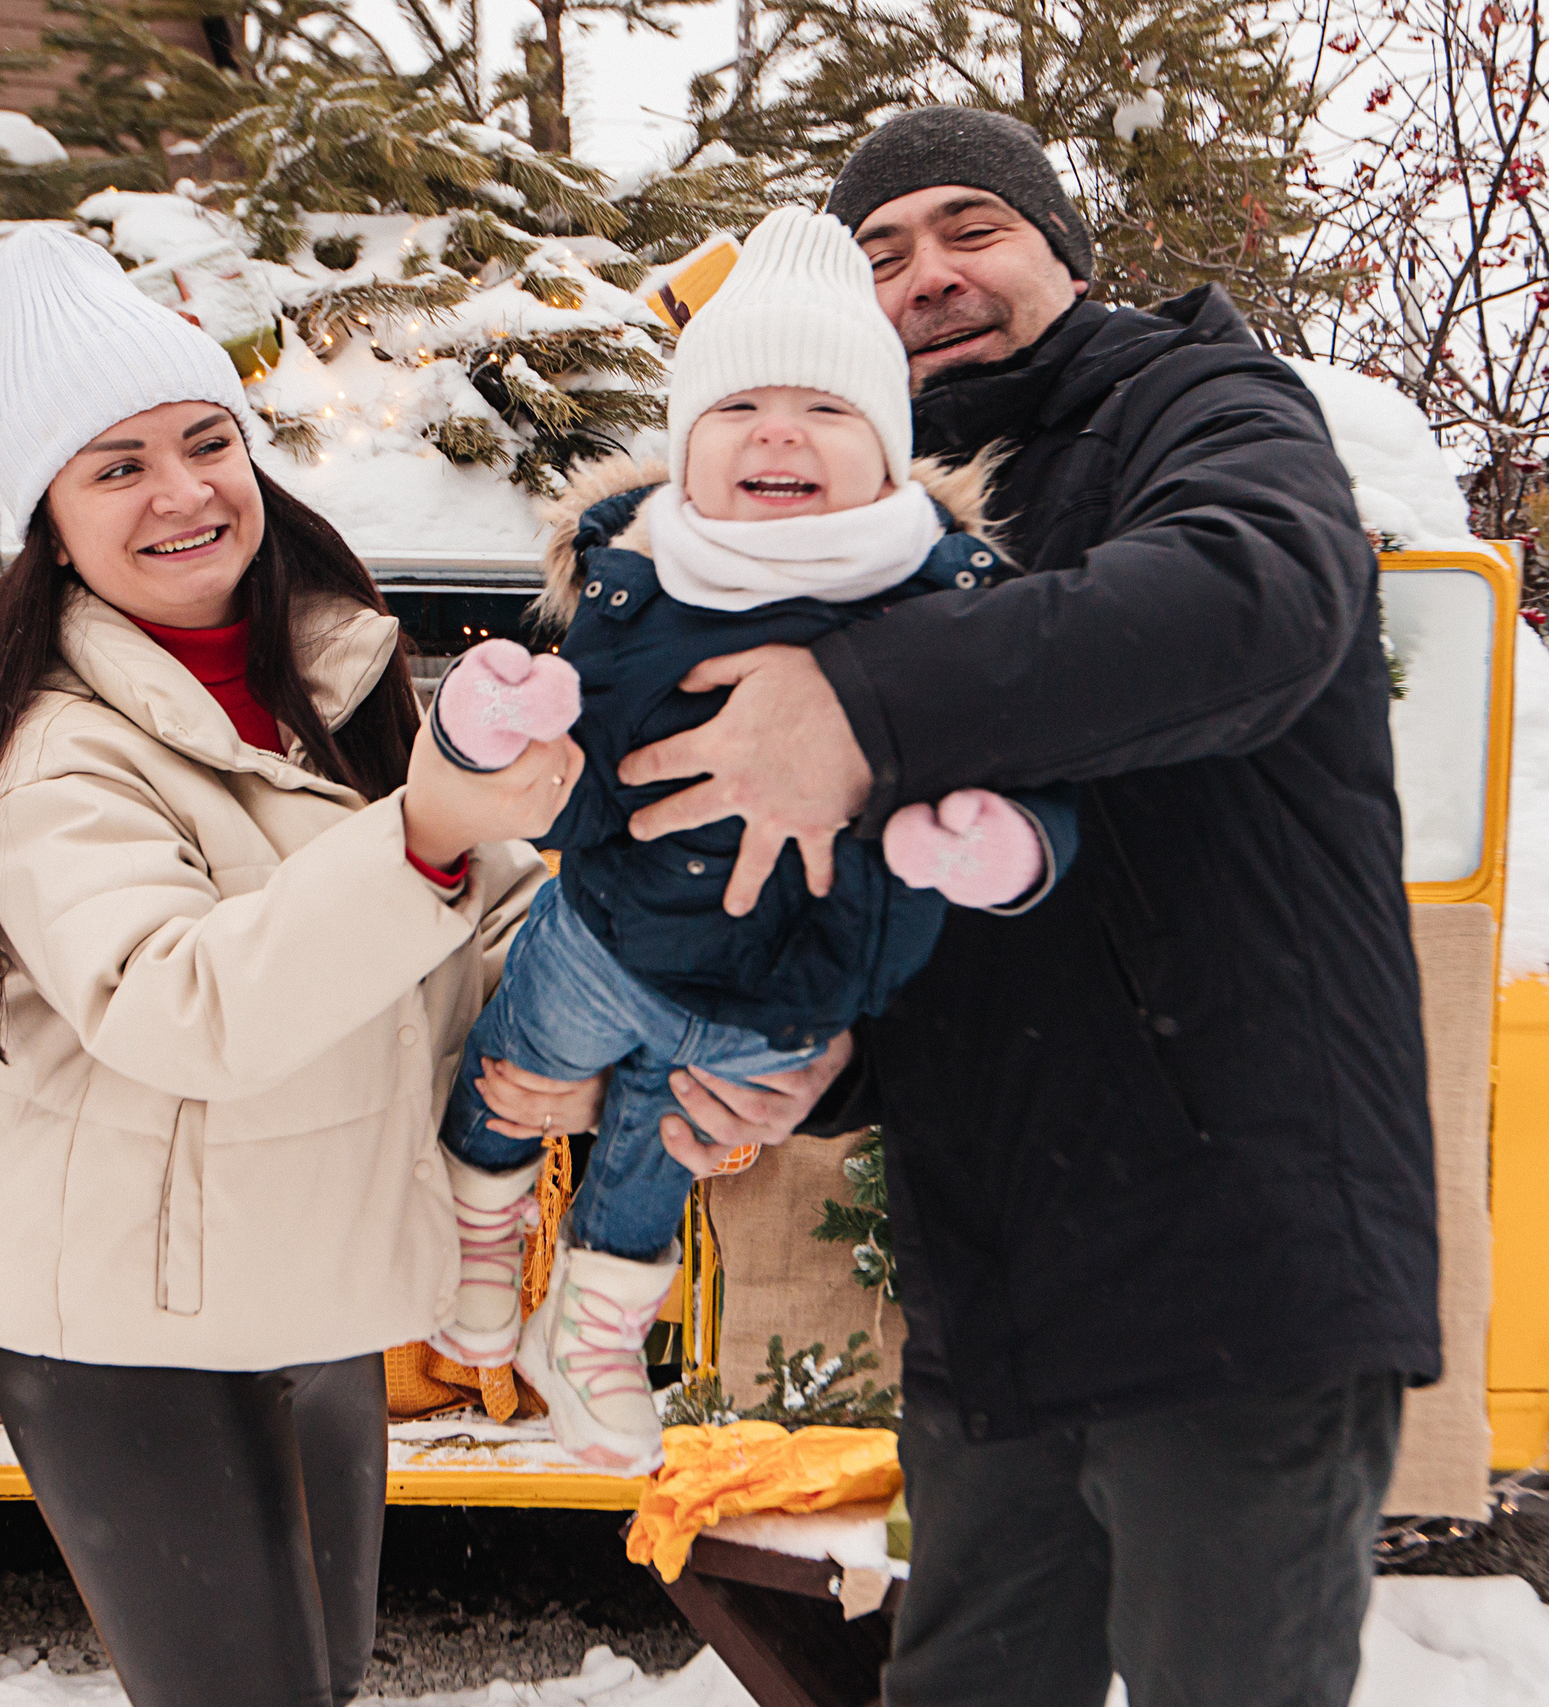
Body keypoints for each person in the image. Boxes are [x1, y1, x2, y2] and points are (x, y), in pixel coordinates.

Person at [621, 108, 1443, 1707]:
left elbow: (1249, 600)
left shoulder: (1201, 406)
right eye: (882, 253)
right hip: (997, 1282)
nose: (928, 273)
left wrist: (858, 694)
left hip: (1235, 1261)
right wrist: (820, 1063)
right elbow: (932, 907)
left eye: (969, 227)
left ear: (1064, 250)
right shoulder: (882, 523)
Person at [0, 226, 591, 1707]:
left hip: (314, 1289)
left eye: (205, 440)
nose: (180, 490)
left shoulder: (332, 679)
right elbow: (182, 1002)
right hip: (128, 1335)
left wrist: (606, 983)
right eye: (116, 466)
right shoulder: (54, 749)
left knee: (318, 1681)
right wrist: (421, 833)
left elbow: (474, 922)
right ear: (54, 523)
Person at [420, 209, 1076, 1477]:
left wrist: (1006, 843)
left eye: (827, 412)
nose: (778, 431)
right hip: (611, 946)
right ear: (683, 453)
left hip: (787, 1000)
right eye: (737, 410)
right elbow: (575, 795)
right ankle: (479, 1228)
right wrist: (510, 735)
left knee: (650, 1173)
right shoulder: (642, 588)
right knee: (512, 1074)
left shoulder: (948, 606)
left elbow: (1026, 767)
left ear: (889, 460)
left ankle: (594, 1338)